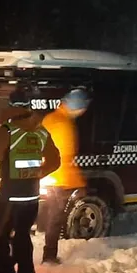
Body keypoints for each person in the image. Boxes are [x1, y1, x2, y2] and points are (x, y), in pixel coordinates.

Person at [0, 89, 61, 273]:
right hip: (31, 196)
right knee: (23, 238)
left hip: (10, 197)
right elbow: (55, 161)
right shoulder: (41, 132)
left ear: (11, 106)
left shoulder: (7, 131)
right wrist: (36, 174)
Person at [40, 88, 90, 264]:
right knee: (55, 219)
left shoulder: (50, 118)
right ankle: (49, 256)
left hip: (45, 175)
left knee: (50, 218)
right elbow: (65, 158)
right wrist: (79, 183)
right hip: (58, 179)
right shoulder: (65, 125)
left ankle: (48, 254)